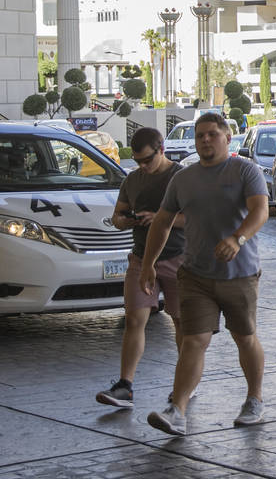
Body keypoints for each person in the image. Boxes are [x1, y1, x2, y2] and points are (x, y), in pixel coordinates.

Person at [141, 113, 268, 436]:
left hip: (240, 274)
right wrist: (148, 263)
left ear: (227, 137)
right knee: (194, 341)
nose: (205, 141)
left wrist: (237, 238)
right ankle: (177, 410)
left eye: (212, 134)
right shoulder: (184, 179)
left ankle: (254, 399)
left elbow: (260, 210)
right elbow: (162, 222)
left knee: (244, 337)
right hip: (195, 274)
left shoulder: (245, 170)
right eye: (200, 136)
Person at [96, 127, 185, 409]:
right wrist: (126, 221)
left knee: (181, 323)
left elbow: (196, 217)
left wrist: (161, 218)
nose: (143, 167)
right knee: (134, 319)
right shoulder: (133, 180)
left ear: (161, 150)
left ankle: (184, 383)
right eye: (137, 162)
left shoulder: (180, 177)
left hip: (179, 257)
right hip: (140, 256)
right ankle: (125, 385)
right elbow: (117, 215)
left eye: (147, 160)